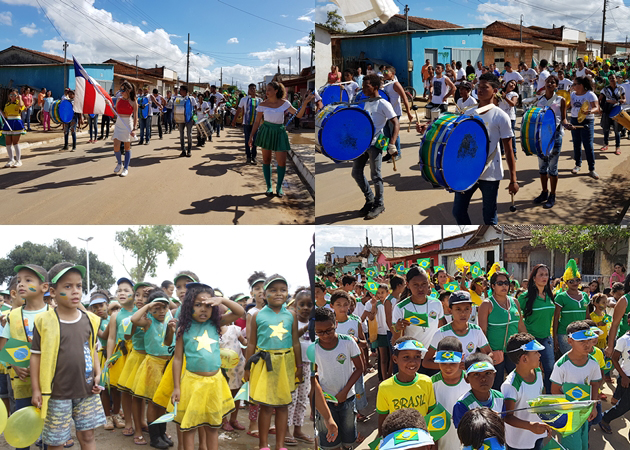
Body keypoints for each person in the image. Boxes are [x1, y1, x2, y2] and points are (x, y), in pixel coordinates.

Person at [30, 263, 106, 450]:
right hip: (57, 394)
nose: (75, 291)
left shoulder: (90, 320)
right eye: (68, 286)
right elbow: (36, 357)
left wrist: (98, 374)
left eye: (79, 286)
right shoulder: (43, 322)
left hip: (87, 391)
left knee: (88, 436)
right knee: (56, 442)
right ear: (53, 292)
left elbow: (93, 350)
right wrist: (36, 390)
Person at [170, 283, 244, 450]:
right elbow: (177, 360)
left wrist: (222, 299)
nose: (203, 309)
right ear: (189, 306)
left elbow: (240, 313)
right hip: (192, 383)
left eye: (208, 305)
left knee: (213, 426)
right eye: (198, 305)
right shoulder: (183, 329)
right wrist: (176, 387)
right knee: (190, 426)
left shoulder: (215, 324)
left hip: (215, 383)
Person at [450, 73, 518, 225]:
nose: (479, 90)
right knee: (458, 211)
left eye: (484, 87)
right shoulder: (469, 113)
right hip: (469, 172)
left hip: (490, 174)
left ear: (495, 90)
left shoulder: (501, 116)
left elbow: (508, 150)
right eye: (478, 87)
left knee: (489, 217)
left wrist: (513, 179)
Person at [244, 275, 302, 450]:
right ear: (264, 294)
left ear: (287, 293)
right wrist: (247, 367)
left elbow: (295, 342)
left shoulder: (291, 315)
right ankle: (263, 444)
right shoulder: (257, 316)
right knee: (267, 406)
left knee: (283, 405)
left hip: (285, 364)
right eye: (273, 290)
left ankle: (279, 445)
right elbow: (252, 343)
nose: (279, 293)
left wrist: (298, 366)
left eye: (283, 290)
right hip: (264, 364)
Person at [0, 264, 51, 450]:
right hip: (21, 381)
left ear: (44, 287)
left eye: (28, 280)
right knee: (22, 425)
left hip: (49, 383)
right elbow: (4, 344)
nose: (21, 284)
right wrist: (14, 365)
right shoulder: (13, 316)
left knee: (48, 429)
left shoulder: (53, 314)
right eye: (19, 280)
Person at [129, 290, 175, 449]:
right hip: (152, 365)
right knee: (153, 403)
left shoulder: (169, 320)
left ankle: (162, 433)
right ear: (150, 309)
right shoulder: (148, 322)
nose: (161, 311)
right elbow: (134, 319)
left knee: (162, 402)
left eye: (164, 307)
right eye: (157, 308)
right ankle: (154, 437)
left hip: (166, 365)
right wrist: (148, 305)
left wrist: (171, 329)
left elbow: (168, 343)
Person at [350, 74, 399, 220]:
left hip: (376, 144)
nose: (363, 89)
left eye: (367, 86)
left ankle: (379, 204)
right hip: (362, 144)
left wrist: (392, 144)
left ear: (375, 88)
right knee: (356, 173)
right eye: (363, 86)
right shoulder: (365, 102)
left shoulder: (383, 103)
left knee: (376, 175)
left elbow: (395, 123)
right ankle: (370, 199)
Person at [314, 307, 363, 450]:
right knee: (330, 442)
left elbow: (360, 368)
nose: (325, 335)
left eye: (329, 330)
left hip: (347, 398)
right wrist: (320, 398)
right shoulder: (313, 348)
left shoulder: (348, 342)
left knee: (348, 440)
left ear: (336, 323)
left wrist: (344, 392)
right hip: (325, 402)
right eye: (320, 332)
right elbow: (313, 377)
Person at [250, 81, 308, 197]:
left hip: (280, 133)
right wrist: (251, 136)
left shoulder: (285, 103)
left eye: (269, 89)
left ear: (276, 91)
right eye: (266, 90)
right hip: (266, 131)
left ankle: (279, 187)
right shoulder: (262, 105)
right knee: (266, 160)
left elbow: (298, 115)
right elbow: (257, 121)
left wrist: (305, 103)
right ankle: (269, 187)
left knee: (281, 162)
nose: (267, 92)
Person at [550, 321, 600, 450]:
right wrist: (572, 407)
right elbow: (555, 390)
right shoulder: (561, 365)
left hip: (585, 411)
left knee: (583, 442)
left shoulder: (593, 363)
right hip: (569, 415)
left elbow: (595, 384)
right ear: (570, 341)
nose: (587, 344)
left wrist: (593, 406)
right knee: (572, 445)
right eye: (582, 341)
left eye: (588, 339)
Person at [478, 268, 526, 390]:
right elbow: (482, 332)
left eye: (506, 283)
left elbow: (520, 326)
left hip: (514, 352)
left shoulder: (515, 302)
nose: (504, 286)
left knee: (516, 385)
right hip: (495, 352)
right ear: (493, 286)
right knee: (496, 387)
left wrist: (529, 345)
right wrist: (489, 354)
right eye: (500, 283)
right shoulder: (487, 304)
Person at [376, 337, 435, 435]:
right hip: (398, 439)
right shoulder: (385, 387)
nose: (412, 362)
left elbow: (431, 412)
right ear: (395, 359)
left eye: (417, 356)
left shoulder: (427, 382)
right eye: (406, 357)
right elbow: (383, 418)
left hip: (422, 437)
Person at [502, 333, 550, 450]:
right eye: (535, 352)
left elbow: (539, 396)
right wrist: (530, 426)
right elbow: (507, 416)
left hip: (537, 434)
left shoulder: (538, 371)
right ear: (524, 358)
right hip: (519, 443)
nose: (539, 355)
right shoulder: (511, 385)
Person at [392, 268, 446, 372]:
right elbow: (395, 342)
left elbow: (441, 330)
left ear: (429, 284)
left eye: (424, 284)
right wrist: (398, 329)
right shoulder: (400, 308)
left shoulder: (436, 303)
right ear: (407, 285)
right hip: (412, 360)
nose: (420, 288)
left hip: (433, 357)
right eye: (415, 285)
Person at [423, 291, 491, 370]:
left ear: (471, 310)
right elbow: (426, 362)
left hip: (470, 380)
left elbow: (488, 353)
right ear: (450, 311)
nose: (463, 313)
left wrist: (477, 364)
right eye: (458, 309)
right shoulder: (441, 333)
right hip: (448, 381)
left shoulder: (476, 330)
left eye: (466, 309)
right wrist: (451, 366)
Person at [106, 277, 138, 439]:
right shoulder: (115, 315)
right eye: (119, 290)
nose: (122, 293)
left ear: (134, 293)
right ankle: (129, 423)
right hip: (121, 354)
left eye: (126, 290)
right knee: (125, 391)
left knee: (138, 391)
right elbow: (111, 338)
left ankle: (141, 421)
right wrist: (110, 357)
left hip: (138, 354)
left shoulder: (141, 311)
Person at [531, 75, 569, 209]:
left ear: (556, 86)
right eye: (548, 82)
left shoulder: (561, 100)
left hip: (555, 136)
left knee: (552, 168)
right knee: (542, 168)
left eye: (553, 82)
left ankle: (552, 195)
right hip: (541, 137)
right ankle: (544, 192)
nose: (550, 84)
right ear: (544, 84)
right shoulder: (539, 100)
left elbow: (563, 119)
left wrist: (567, 124)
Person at [517, 265, 555, 394]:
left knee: (550, 368)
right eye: (541, 274)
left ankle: (549, 396)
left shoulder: (550, 295)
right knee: (531, 369)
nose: (544, 277)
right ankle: (531, 395)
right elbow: (516, 316)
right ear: (534, 278)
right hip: (531, 340)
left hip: (546, 338)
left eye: (546, 274)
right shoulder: (525, 297)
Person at [430, 337, 469, 449]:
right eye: (443, 362)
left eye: (452, 363)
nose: (448, 367)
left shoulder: (471, 380)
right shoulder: (431, 383)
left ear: (462, 357)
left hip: (466, 439)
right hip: (441, 440)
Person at [286, 289, 314, 445]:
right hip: (293, 364)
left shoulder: (314, 321)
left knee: (303, 398)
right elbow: (292, 338)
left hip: (308, 364)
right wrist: (306, 327)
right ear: (295, 305)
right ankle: (286, 430)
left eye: (309, 305)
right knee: (291, 398)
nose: (305, 308)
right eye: (301, 304)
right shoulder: (291, 320)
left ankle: (298, 429)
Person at [452, 352, 505, 428]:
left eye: (488, 373)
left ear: (494, 375)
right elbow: (463, 434)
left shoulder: (500, 398)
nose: (483, 379)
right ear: (466, 378)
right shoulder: (462, 405)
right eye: (476, 374)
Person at [598, 314, 630, 435]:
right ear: (628, 321)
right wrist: (624, 377)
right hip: (627, 377)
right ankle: (605, 418)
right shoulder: (624, 340)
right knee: (623, 406)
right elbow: (614, 359)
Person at [553, 260, 590, 355]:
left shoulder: (585, 296)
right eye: (571, 281)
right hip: (565, 334)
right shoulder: (561, 297)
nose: (575, 283)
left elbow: (587, 317)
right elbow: (556, 318)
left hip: (582, 333)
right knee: (571, 360)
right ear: (566, 282)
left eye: (577, 280)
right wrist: (555, 337)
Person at [567, 76, 601, 179]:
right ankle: (578, 165)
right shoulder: (572, 95)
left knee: (588, 145)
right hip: (574, 120)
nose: (573, 86)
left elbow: (597, 108)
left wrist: (590, 111)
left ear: (581, 85)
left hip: (587, 121)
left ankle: (592, 168)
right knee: (576, 144)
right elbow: (567, 106)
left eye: (575, 84)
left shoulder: (590, 95)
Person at [382, 66, 413, 162]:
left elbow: (404, 97)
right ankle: (389, 152)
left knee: (394, 134)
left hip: (394, 113)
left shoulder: (395, 84)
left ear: (392, 74)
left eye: (387, 72)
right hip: (386, 113)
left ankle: (398, 153)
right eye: (384, 72)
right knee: (386, 134)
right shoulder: (386, 84)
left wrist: (408, 112)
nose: (384, 73)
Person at [112, 80, 137, 177]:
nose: (121, 92)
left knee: (127, 147)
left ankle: (126, 168)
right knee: (116, 146)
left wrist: (134, 128)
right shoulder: (119, 99)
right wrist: (108, 104)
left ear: (129, 90)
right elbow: (115, 112)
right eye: (121, 90)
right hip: (119, 123)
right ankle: (119, 163)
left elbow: (135, 116)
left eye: (123, 90)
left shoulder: (133, 101)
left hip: (127, 124)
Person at [234, 83, 263, 165]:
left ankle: (254, 156)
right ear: (248, 90)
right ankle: (248, 157)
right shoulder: (244, 99)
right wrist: (234, 120)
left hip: (256, 124)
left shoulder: (260, 100)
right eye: (251, 89)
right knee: (247, 140)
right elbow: (239, 110)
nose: (253, 90)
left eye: (254, 88)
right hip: (246, 123)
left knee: (255, 140)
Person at [599, 73, 625, 155]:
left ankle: (617, 147)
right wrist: (600, 108)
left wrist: (622, 101)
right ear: (608, 80)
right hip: (607, 110)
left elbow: (624, 99)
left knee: (617, 130)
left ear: (616, 79)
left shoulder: (621, 88)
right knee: (606, 129)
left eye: (613, 78)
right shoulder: (605, 89)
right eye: (610, 78)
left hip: (616, 111)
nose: (611, 80)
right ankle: (605, 144)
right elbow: (600, 99)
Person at [3, 88, 25, 168]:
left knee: (15, 143)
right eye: (11, 95)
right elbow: (5, 115)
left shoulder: (19, 102)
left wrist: (20, 98)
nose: (12, 97)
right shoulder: (7, 104)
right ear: (9, 96)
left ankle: (18, 160)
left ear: (17, 95)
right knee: (8, 143)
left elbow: (22, 106)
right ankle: (11, 159)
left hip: (16, 123)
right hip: (8, 122)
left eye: (14, 95)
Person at [498, 79, 518, 157]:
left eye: (514, 85)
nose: (512, 85)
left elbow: (513, 104)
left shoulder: (514, 94)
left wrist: (505, 98)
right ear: (507, 83)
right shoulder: (500, 92)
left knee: (510, 135)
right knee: (500, 135)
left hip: (510, 117)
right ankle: (502, 151)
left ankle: (513, 152)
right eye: (511, 83)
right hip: (500, 117)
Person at [176, 85, 195, 158]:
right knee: (181, 135)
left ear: (184, 91)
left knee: (189, 135)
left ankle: (189, 150)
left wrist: (195, 119)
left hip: (189, 119)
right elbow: (176, 109)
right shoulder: (178, 99)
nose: (179, 91)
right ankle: (183, 150)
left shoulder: (191, 98)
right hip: (181, 120)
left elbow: (195, 109)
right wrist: (176, 119)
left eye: (181, 90)